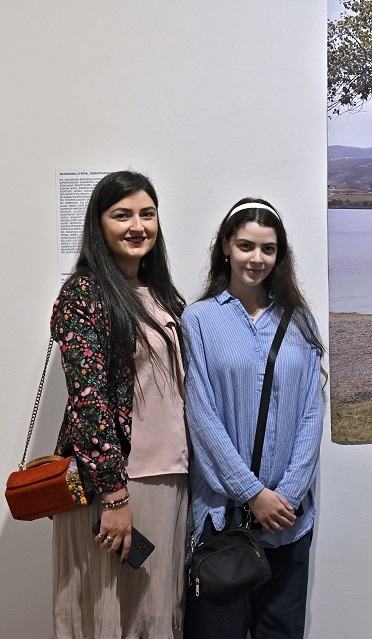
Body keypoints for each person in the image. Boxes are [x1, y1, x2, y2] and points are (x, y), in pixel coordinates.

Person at [51, 170, 188, 638]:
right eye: (122, 215)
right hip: (114, 484)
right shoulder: (84, 293)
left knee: (152, 618)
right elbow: (88, 402)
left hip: (167, 475)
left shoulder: (165, 296)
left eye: (147, 214)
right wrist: (114, 496)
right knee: (105, 619)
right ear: (98, 223)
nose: (138, 226)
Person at [182, 197, 325, 639]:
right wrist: (251, 493)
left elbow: (311, 413)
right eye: (246, 246)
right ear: (226, 246)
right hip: (222, 521)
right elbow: (201, 418)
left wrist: (285, 495)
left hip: (288, 521)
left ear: (280, 255)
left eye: (268, 248)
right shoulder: (199, 320)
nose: (256, 258)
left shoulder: (299, 320)